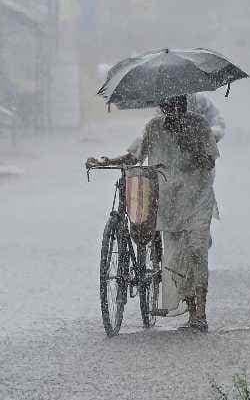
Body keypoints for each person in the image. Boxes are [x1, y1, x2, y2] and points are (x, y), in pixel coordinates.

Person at [88, 94, 219, 331]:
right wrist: (107, 161)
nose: (171, 109)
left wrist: (190, 143)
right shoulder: (154, 127)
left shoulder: (199, 125)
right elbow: (135, 155)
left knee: (197, 250)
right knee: (177, 257)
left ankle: (200, 313)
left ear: (183, 104)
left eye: (176, 104)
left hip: (197, 198)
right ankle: (191, 310)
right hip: (169, 202)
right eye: (167, 105)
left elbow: (209, 161)